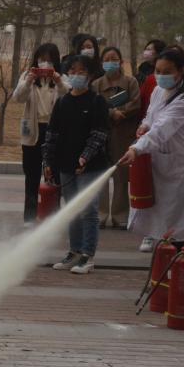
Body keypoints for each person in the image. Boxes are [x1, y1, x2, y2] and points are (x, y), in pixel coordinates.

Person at [120, 48, 184, 254]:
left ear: (181, 71)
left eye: (167, 71)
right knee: (159, 210)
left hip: (180, 166)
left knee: (177, 215)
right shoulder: (158, 90)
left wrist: (136, 148)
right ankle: (158, 244)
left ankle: (179, 252)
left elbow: (162, 129)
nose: (161, 76)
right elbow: (152, 116)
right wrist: (144, 125)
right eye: (158, 71)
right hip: (159, 161)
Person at [43, 56, 110, 275]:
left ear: (90, 76)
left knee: (88, 210)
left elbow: (99, 134)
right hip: (66, 166)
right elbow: (52, 134)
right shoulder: (62, 102)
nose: (76, 75)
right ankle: (74, 252)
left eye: (81, 72)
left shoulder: (97, 102)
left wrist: (85, 158)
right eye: (72, 71)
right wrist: (48, 161)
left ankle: (87, 255)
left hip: (90, 166)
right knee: (71, 208)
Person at [13, 43, 69, 224]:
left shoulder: (61, 78)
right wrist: (29, 80)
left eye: (49, 60)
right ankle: (29, 216)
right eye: (42, 59)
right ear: (36, 60)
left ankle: (53, 215)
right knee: (31, 175)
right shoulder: (27, 77)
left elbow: (69, 96)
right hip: (33, 130)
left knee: (55, 175)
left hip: (54, 132)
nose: (45, 64)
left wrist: (58, 81)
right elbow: (18, 97)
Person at [91, 46, 140, 229]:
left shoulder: (130, 82)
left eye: (114, 59)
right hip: (103, 134)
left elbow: (136, 102)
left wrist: (122, 112)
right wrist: (112, 112)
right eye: (107, 59)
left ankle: (120, 216)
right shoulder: (96, 84)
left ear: (121, 62)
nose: (110, 62)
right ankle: (100, 214)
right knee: (101, 175)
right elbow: (94, 106)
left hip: (123, 133)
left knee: (121, 175)